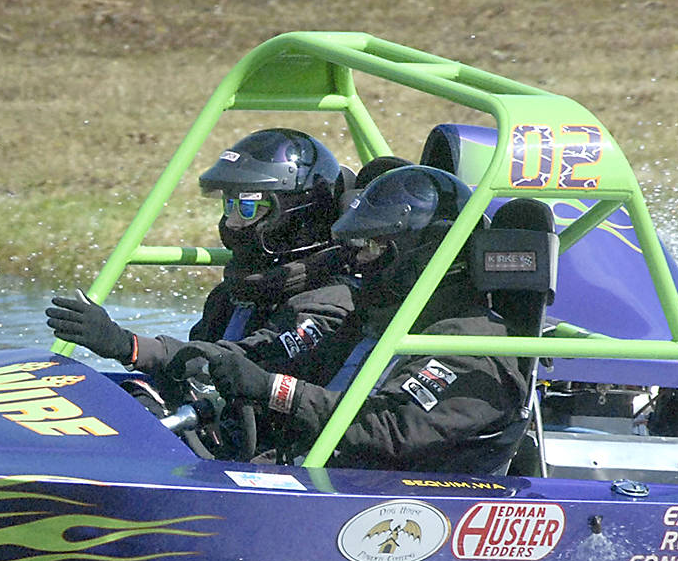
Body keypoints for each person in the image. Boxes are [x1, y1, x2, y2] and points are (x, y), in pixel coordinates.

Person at [175, 164, 532, 474]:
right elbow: (275, 366)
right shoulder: (378, 318)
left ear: (423, 252)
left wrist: (274, 390)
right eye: (357, 246)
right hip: (324, 475)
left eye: (372, 246)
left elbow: (391, 428)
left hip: (396, 502)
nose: (358, 260)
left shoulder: (474, 346)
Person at [46, 128, 355, 386]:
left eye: (247, 208)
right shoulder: (233, 295)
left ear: (296, 217)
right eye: (228, 205)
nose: (232, 223)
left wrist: (126, 345)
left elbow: (235, 364)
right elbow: (190, 375)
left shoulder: (326, 306)